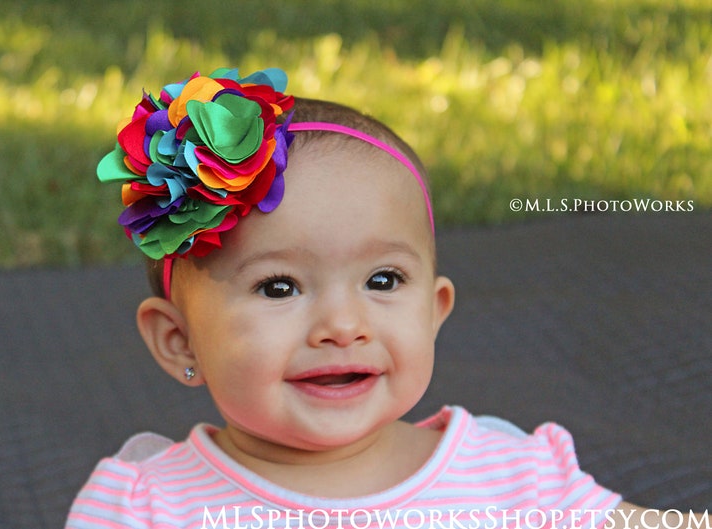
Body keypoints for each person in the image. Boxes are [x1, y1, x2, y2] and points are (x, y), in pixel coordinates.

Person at [65, 67, 702, 529]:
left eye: (383, 281)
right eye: (279, 287)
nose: (343, 325)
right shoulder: (146, 506)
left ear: (434, 310)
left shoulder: (512, 476)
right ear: (179, 340)